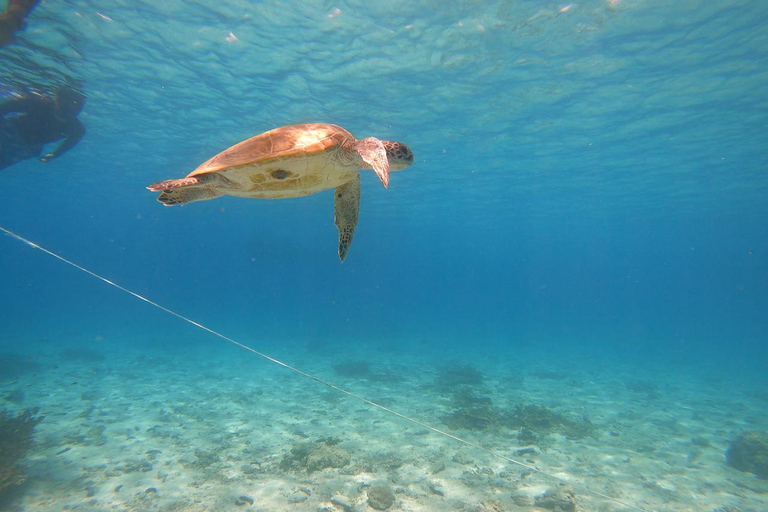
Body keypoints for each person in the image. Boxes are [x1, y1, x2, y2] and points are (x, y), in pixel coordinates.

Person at [0, 86, 86, 170]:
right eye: (65, 103)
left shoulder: (76, 128)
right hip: (9, 131)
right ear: (57, 100)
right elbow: (5, 107)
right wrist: (54, 154)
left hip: (27, 146)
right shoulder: (39, 103)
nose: (69, 108)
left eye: (76, 105)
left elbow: (71, 142)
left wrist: (54, 154)